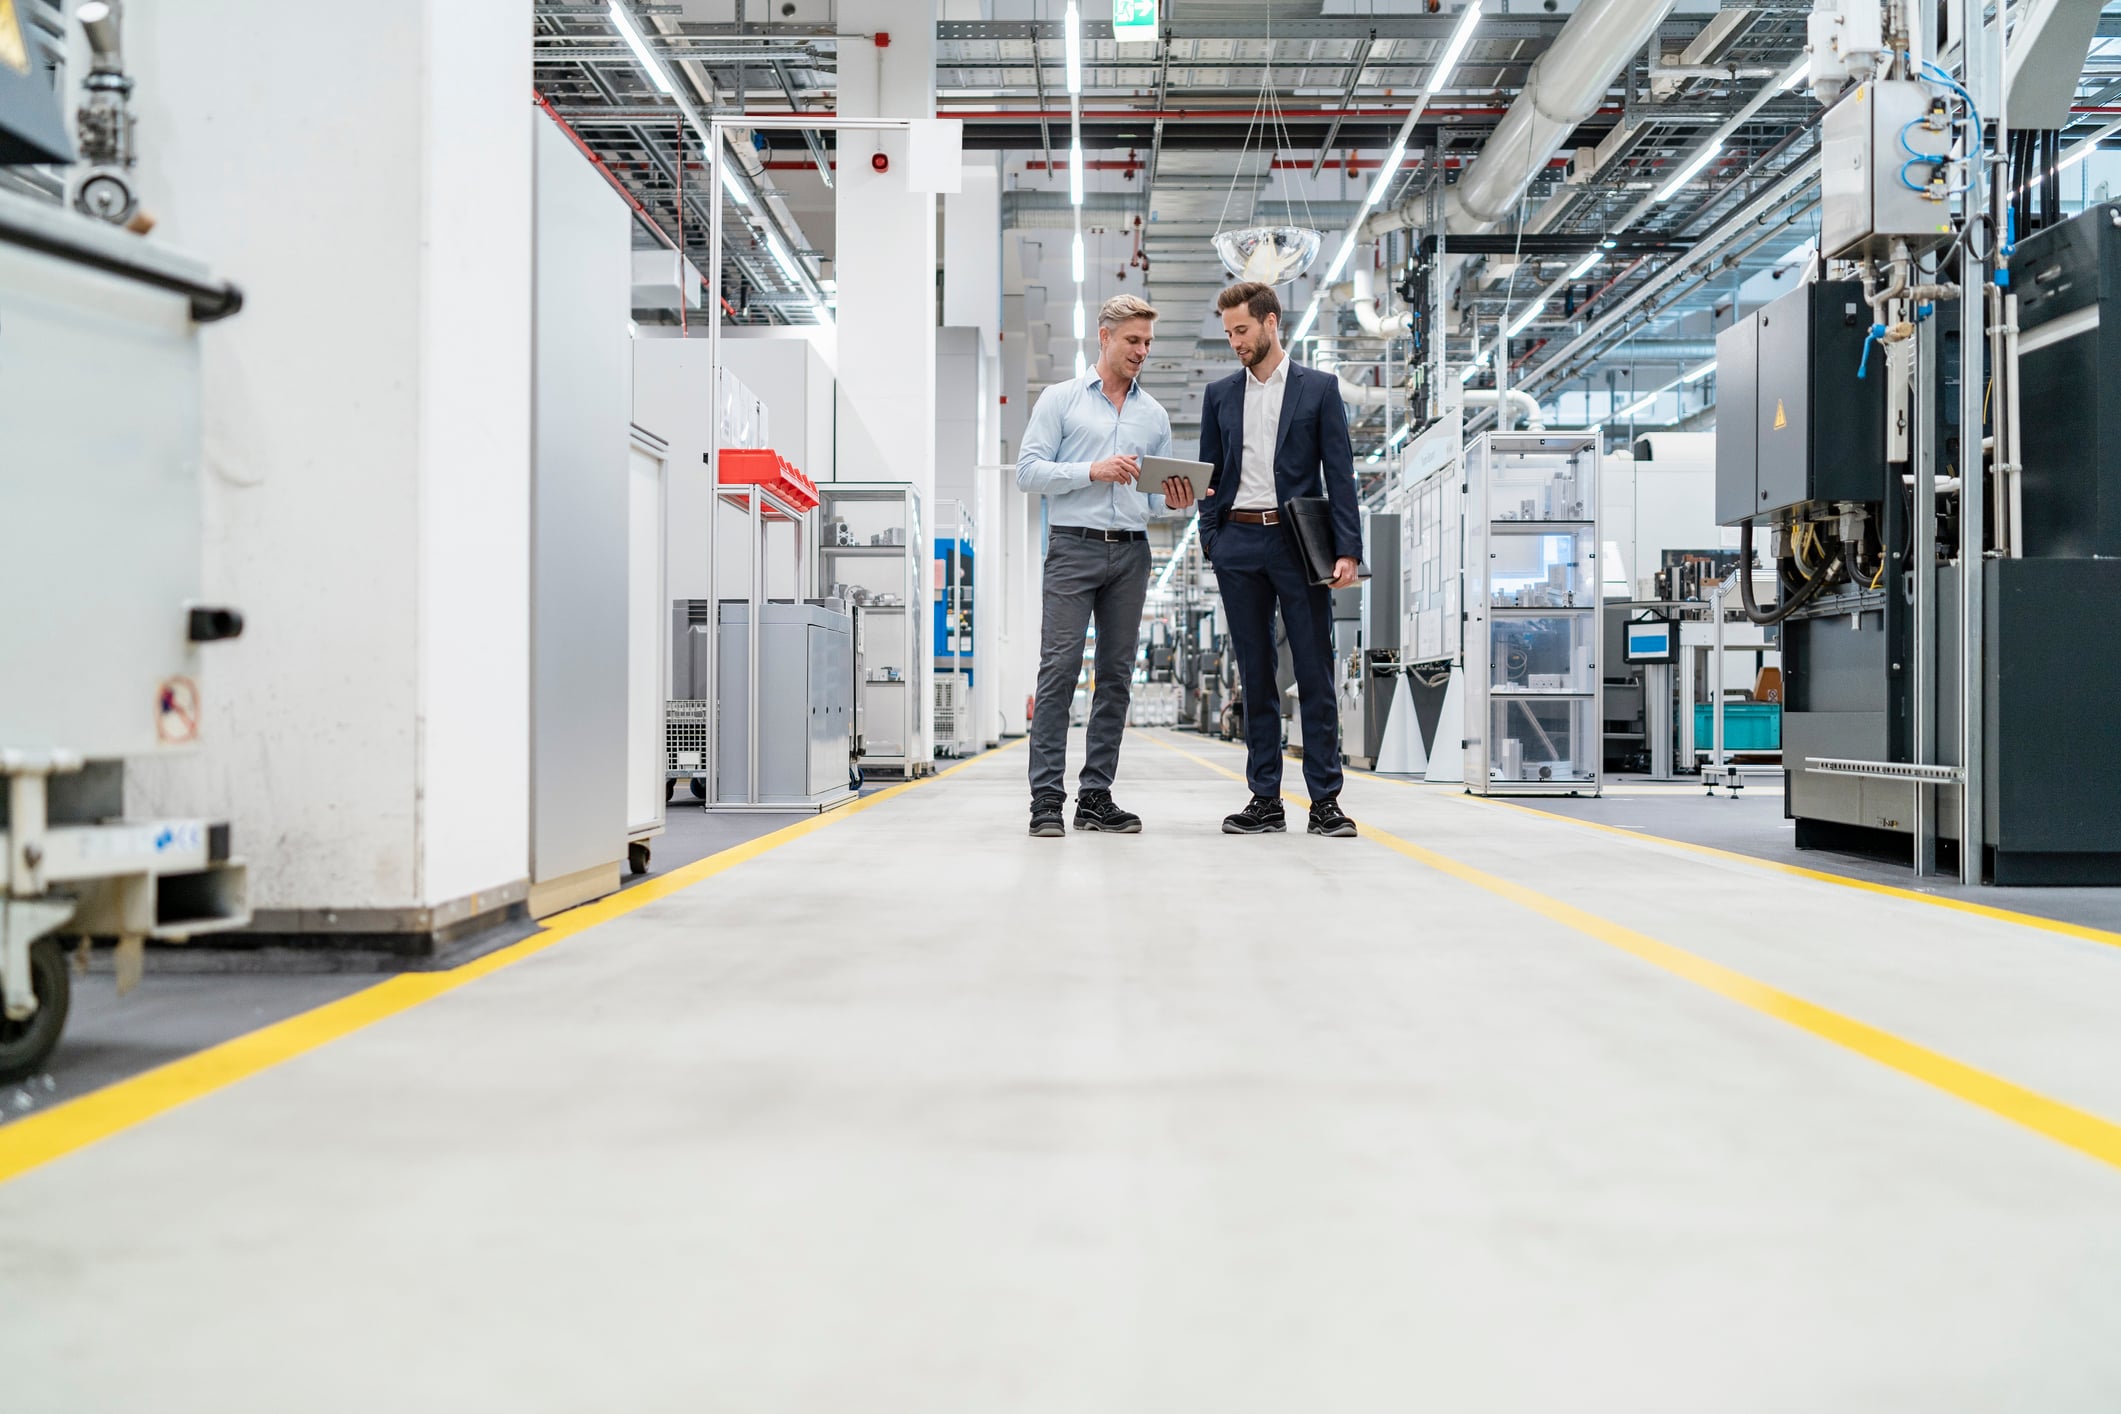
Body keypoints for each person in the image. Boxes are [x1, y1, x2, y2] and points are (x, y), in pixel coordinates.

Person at [1016, 294, 1196, 838]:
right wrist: (1090, 470)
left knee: (1116, 678)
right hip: (1073, 546)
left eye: (1147, 343)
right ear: (1105, 337)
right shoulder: (1061, 400)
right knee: (1059, 671)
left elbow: (1158, 498)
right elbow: (1028, 472)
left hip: (1132, 552)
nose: (1142, 351)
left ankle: (1095, 796)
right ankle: (1046, 799)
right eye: (1133, 341)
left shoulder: (1154, 415)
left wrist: (1178, 499)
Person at [1196, 280, 1363, 838]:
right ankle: (1265, 798)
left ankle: (1325, 803)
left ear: (1271, 323)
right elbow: (1210, 479)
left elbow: (1341, 475)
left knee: (1315, 672)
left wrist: (1347, 550)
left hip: (1297, 545)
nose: (1235, 342)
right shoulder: (1220, 395)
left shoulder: (1318, 389)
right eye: (1228, 333)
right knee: (1256, 677)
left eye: (1241, 330)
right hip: (1239, 545)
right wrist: (1212, 542)